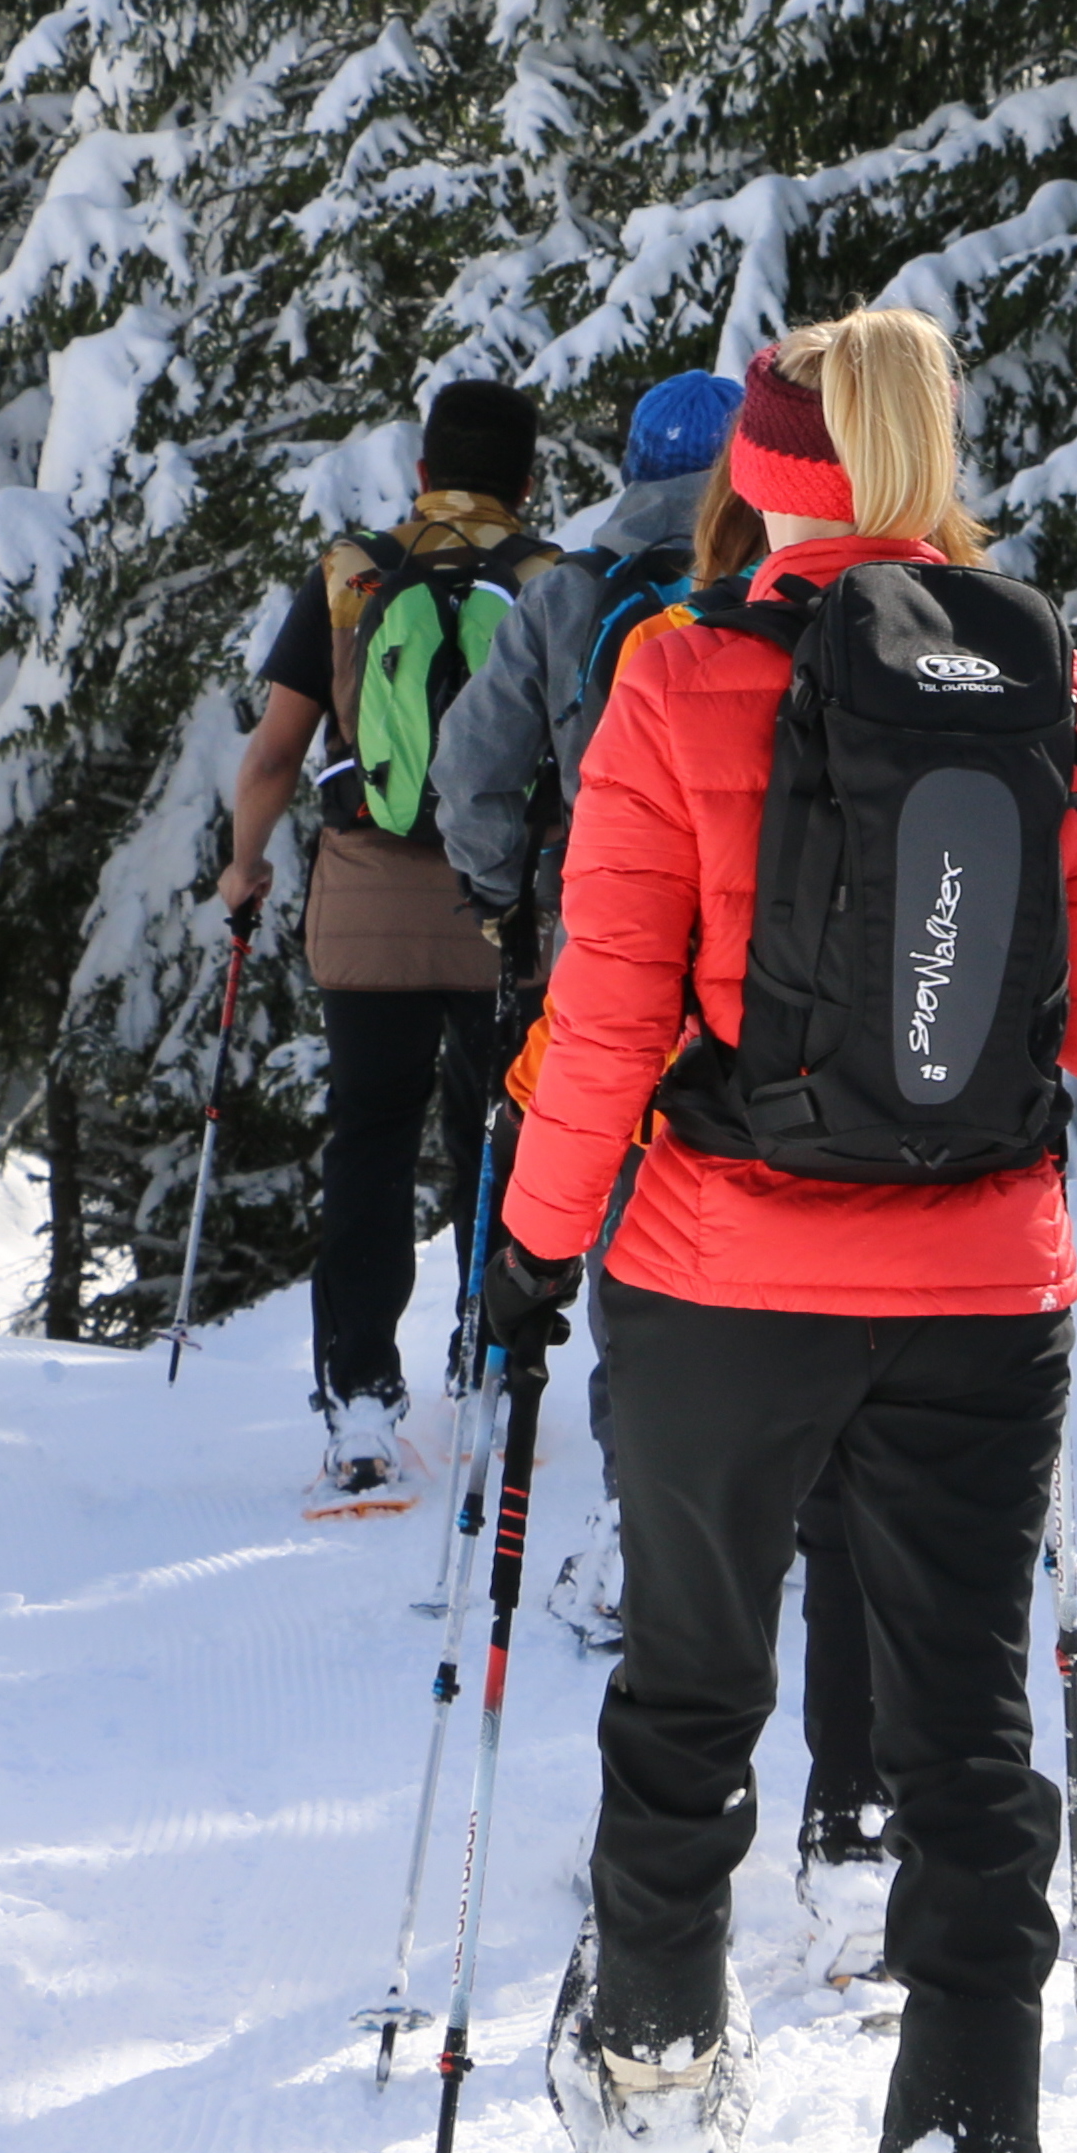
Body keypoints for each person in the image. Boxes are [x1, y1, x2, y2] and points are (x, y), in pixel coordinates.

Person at [479, 308, 1077, 2153]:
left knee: (691, 1682)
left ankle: (660, 2078)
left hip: (717, 1275)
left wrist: (526, 1250)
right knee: (967, 1750)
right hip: (981, 1288)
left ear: (755, 480)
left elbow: (603, 1014)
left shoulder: (673, 674)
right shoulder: (1046, 678)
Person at [430, 369, 741, 1652]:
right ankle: (774, 1501)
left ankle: (637, 1518)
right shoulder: (778, 585)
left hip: (609, 944)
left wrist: (505, 897)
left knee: (626, 1220)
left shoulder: (569, 593)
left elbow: (472, 768)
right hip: (758, 956)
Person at [214, 378, 556, 1499]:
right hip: (501, 914)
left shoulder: (353, 575)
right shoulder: (551, 582)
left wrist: (245, 864)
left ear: (423, 476)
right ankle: (492, 1366)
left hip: (364, 906)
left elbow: (274, 755)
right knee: (495, 1135)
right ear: (528, 481)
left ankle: (360, 1399)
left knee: (368, 1141)